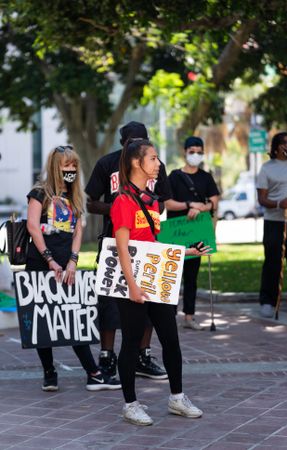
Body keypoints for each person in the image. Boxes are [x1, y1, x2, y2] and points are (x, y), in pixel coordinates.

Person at [111, 138, 209, 425]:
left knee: (171, 339)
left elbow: (153, 244)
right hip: (134, 283)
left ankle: (177, 398)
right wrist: (132, 286)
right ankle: (130, 404)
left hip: (156, 280)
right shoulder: (123, 202)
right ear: (135, 162)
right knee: (131, 342)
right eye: (153, 158)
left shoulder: (151, 202)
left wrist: (185, 251)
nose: (158, 164)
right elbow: (123, 248)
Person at [26, 145, 120, 391]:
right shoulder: (39, 193)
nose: (71, 170)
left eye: (74, 166)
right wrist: (49, 260)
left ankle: (94, 373)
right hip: (40, 264)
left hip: (66, 263)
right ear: (55, 167)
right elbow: (33, 227)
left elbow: (78, 230)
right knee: (42, 319)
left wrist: (72, 261)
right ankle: (49, 372)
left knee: (74, 316)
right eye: (66, 165)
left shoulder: (75, 196)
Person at [85, 121, 170, 381]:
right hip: (114, 241)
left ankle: (141, 356)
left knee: (148, 298)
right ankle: (107, 357)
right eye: (133, 142)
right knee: (110, 302)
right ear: (123, 144)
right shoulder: (107, 163)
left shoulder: (156, 165)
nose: (138, 147)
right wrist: (119, 210)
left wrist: (145, 211)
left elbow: (163, 201)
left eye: (142, 142)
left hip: (147, 243)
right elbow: (89, 202)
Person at [165, 136, 219, 329]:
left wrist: (200, 208)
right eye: (192, 151)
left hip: (196, 233)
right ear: (185, 152)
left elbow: (213, 201)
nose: (195, 155)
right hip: (176, 232)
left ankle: (189, 316)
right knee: (172, 274)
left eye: (199, 151)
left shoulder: (206, 177)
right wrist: (189, 204)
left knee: (191, 276)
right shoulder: (174, 176)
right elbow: (167, 202)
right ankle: (168, 315)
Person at [257, 132, 287, 318]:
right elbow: (262, 199)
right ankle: (268, 301)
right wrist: (278, 204)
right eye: (285, 143)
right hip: (275, 222)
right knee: (273, 263)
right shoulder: (267, 168)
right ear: (276, 147)